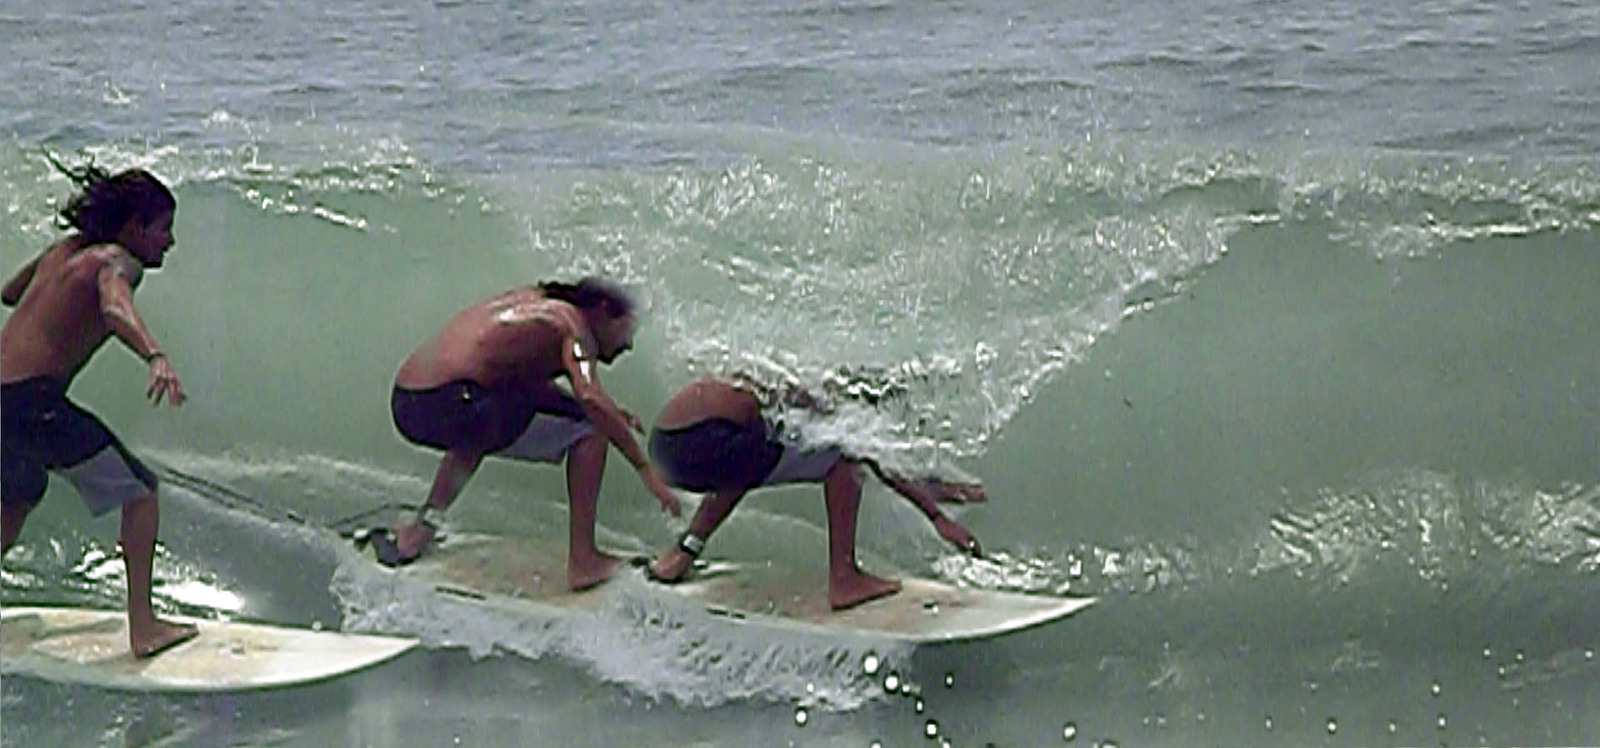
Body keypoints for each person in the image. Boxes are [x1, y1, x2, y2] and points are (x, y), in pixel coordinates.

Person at [1, 159, 197, 657]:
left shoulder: (63, 251)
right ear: (134, 228)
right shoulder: (117, 260)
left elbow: (10, 292)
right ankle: (144, 628)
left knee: (17, 497)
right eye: (163, 229)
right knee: (141, 493)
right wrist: (154, 355)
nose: (170, 241)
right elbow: (113, 306)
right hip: (31, 400)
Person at [373, 278, 682, 590]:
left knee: (485, 418)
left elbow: (532, 387)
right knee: (592, 430)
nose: (628, 345)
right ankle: (584, 561)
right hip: (453, 403)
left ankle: (419, 532)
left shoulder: (535, 306)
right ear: (603, 311)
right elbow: (589, 396)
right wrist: (645, 469)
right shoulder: (573, 326)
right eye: (627, 330)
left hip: (411, 400)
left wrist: (607, 409)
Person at [645, 374, 986, 610]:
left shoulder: (790, 376)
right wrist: (936, 516)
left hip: (667, 445)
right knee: (842, 457)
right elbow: (867, 453)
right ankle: (845, 578)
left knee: (751, 460)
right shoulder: (826, 397)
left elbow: (882, 460)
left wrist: (932, 488)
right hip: (705, 440)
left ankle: (683, 552)